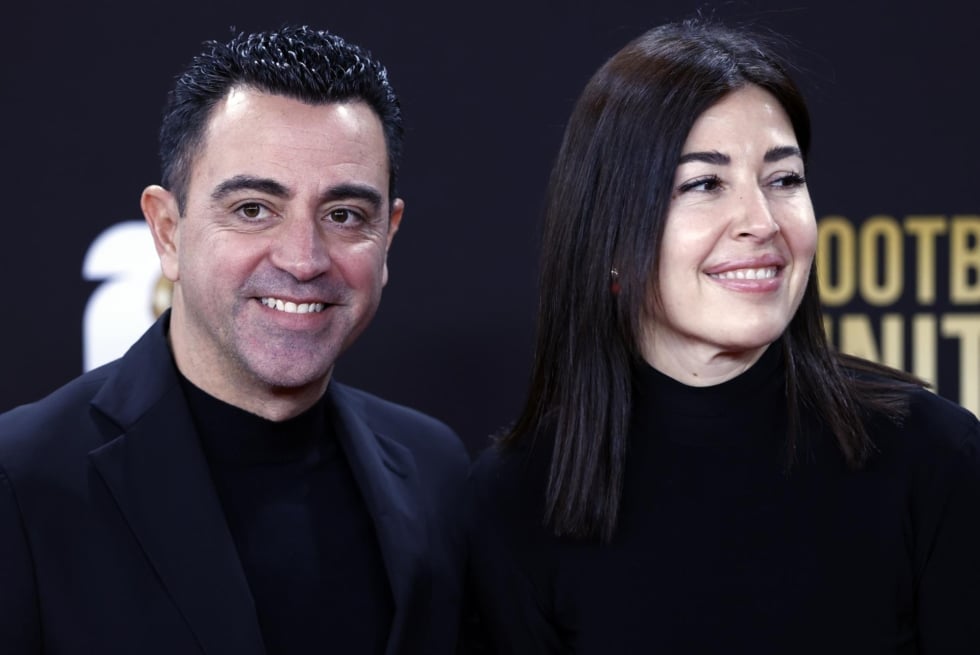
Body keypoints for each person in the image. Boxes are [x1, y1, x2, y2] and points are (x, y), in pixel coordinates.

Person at [466, 17, 980, 654]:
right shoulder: (514, 498)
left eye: (784, 179)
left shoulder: (935, 456)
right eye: (704, 184)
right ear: (611, 231)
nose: (761, 222)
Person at [0, 25, 469, 654]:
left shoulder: (436, 469)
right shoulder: (21, 481)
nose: (303, 260)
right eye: (253, 209)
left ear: (388, 237)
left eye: (344, 215)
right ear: (167, 231)